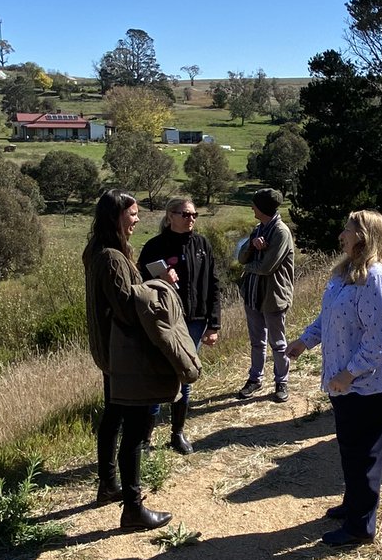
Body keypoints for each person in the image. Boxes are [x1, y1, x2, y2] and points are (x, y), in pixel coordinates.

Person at [287, 210, 382, 547]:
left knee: (365, 453)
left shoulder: (376, 277)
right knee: (350, 448)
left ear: (365, 236)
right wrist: (304, 341)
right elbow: (328, 316)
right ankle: (353, 505)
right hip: (346, 382)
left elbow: (380, 339)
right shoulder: (345, 273)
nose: (341, 234)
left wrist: (348, 373)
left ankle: (361, 526)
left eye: (348, 229)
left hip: (371, 383)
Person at [83, 189, 201, 531]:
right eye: (132, 214)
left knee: (113, 416)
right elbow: (127, 308)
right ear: (118, 216)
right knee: (134, 430)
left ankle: (107, 485)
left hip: (110, 352)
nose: (137, 219)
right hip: (126, 356)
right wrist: (158, 284)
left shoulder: (97, 251)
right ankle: (132, 509)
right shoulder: (112, 258)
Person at [138, 197, 221, 454]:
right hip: (164, 323)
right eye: (185, 214)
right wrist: (159, 277)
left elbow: (214, 284)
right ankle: (145, 440)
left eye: (194, 215)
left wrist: (214, 324)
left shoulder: (202, 245)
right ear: (170, 216)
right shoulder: (154, 246)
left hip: (195, 321)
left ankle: (177, 433)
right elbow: (140, 285)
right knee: (160, 375)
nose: (191, 219)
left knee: (185, 376)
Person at [237, 188, 295, 403]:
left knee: (278, 343)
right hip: (252, 295)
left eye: (254, 204)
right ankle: (255, 379)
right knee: (256, 342)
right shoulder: (258, 229)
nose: (251, 207)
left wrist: (251, 266)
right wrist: (252, 246)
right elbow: (242, 258)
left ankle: (282, 382)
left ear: (262, 207)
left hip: (273, 296)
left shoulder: (281, 232)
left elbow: (266, 268)